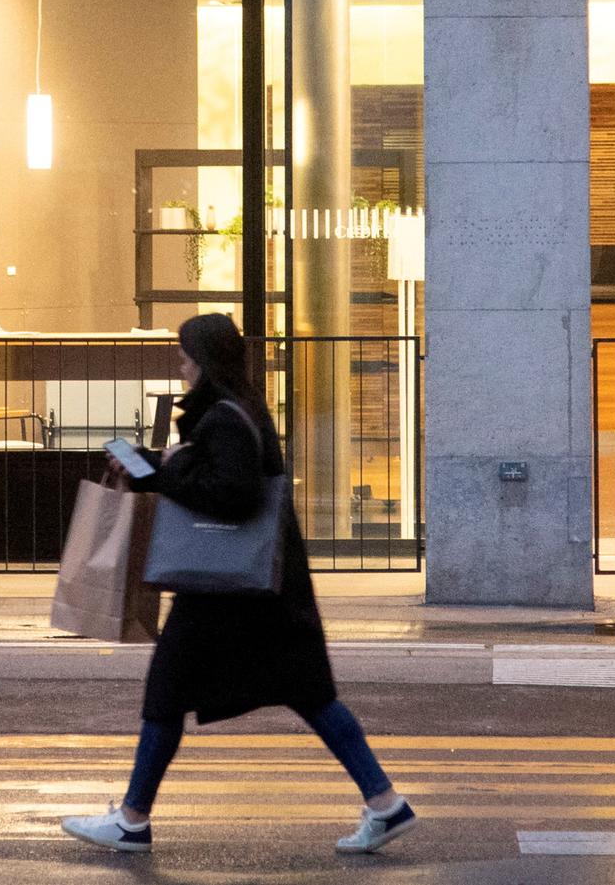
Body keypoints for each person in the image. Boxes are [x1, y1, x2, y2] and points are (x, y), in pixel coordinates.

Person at [61, 312, 416, 856]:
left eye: (184, 358)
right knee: (311, 694)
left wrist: (164, 469)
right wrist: (150, 464)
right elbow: (214, 475)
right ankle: (385, 803)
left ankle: (132, 819)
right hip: (267, 588)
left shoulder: (222, 417)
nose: (180, 368)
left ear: (203, 362)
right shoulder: (239, 409)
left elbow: (233, 492)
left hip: (226, 591)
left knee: (168, 689)